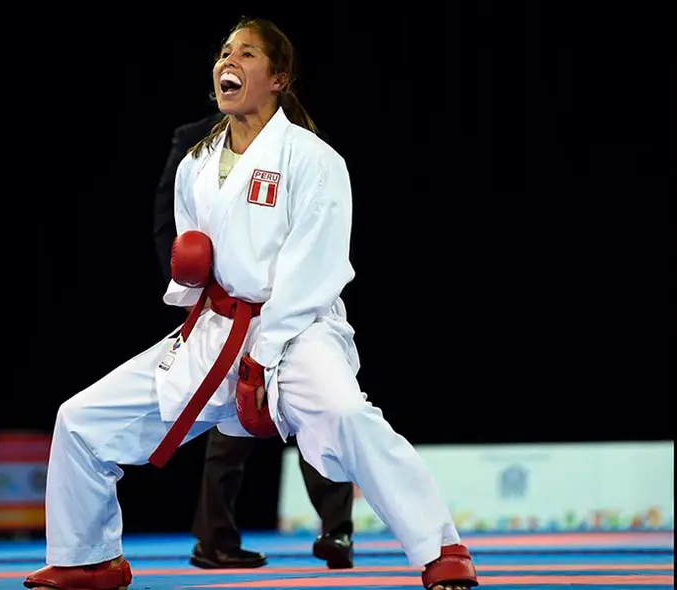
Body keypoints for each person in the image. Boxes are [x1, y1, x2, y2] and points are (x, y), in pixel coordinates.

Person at [24, 17, 478, 590]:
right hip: (216, 330)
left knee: (347, 415)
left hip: (298, 333)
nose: (227, 61)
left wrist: (263, 355)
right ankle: (89, 559)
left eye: (245, 53)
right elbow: (197, 262)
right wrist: (190, 282)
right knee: (81, 420)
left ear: (279, 78)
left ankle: (441, 548)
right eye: (223, 52)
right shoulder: (195, 163)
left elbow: (315, 269)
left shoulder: (314, 159)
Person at [155, 112, 356, 570]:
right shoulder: (196, 144)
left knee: (322, 413)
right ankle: (214, 539)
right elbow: (171, 223)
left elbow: (320, 225)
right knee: (229, 426)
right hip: (225, 310)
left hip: (292, 307)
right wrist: (191, 293)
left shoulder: (299, 142)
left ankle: (337, 529)